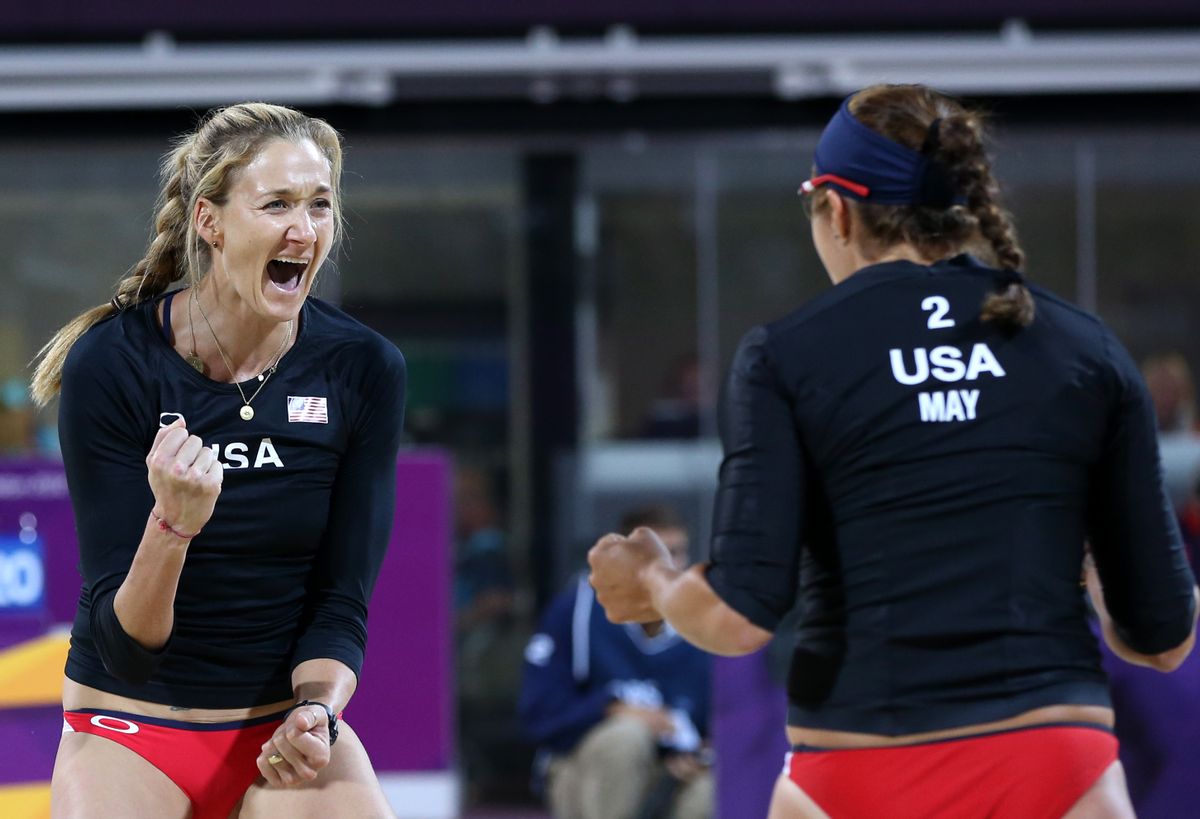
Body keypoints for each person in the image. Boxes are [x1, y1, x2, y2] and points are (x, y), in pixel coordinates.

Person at [588, 83, 1199, 819]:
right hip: (1055, 760)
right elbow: (1164, 636)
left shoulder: (788, 356)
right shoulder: (1082, 348)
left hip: (857, 765)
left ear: (838, 210)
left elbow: (737, 617)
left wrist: (650, 575)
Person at [30, 103, 406, 819]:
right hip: (131, 727)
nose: (305, 228)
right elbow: (125, 645)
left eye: (320, 205)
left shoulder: (362, 367)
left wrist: (317, 714)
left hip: (278, 734)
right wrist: (172, 525)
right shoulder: (115, 363)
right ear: (211, 221)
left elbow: (341, 599)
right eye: (277, 204)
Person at [520, 505, 712, 819]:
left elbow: (735, 720)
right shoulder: (576, 610)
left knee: (715, 788)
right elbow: (538, 715)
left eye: (677, 553)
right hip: (585, 767)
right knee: (626, 737)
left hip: (675, 770)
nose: (670, 567)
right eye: (657, 556)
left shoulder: (706, 617)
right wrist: (611, 707)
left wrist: (702, 754)